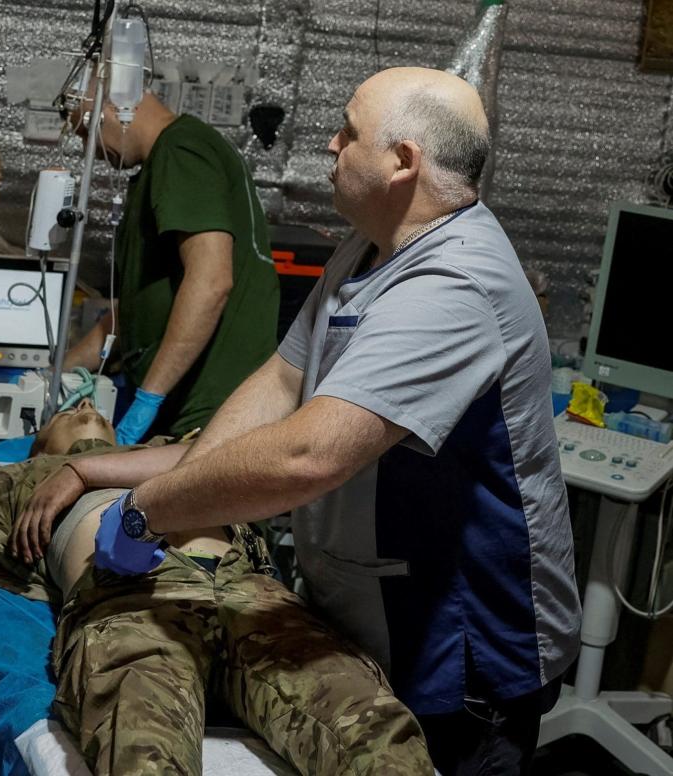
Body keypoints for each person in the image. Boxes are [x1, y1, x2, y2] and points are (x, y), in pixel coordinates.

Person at [53, 67, 580, 776]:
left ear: (402, 162)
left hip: (461, 649)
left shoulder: (455, 284)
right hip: (363, 618)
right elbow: (279, 381)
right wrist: (129, 468)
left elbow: (308, 455)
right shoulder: (368, 247)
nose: (329, 146)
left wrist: (149, 509)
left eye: (348, 132)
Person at [0, 402, 432, 776]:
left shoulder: (179, 451)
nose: (83, 406)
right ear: (37, 445)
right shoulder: (17, 481)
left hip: (254, 597)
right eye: (64, 413)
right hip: (129, 607)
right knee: (140, 751)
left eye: (93, 408)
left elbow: (242, 455)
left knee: (374, 733)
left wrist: (90, 468)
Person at [62, 87, 281, 445]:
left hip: (208, 415)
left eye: (87, 131)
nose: (92, 149)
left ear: (115, 108)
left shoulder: (181, 152)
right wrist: (58, 374)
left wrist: (148, 399)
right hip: (186, 410)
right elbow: (131, 312)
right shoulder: (165, 163)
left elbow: (211, 282)